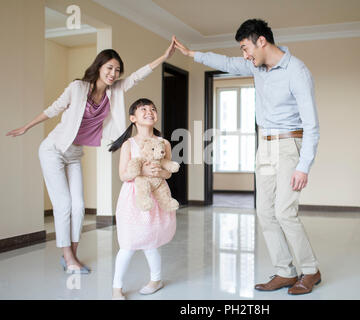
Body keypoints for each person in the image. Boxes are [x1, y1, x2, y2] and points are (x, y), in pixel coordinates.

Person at [174, 19, 321, 295]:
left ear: (261, 41)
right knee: (264, 211)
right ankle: (285, 271)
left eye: (245, 48)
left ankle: (311, 270)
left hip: (290, 144)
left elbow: (312, 124)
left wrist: (304, 166)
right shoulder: (257, 66)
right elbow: (226, 63)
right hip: (264, 145)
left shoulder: (297, 71)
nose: (244, 55)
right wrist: (192, 54)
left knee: (284, 212)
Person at [6, 38, 176, 274]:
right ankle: (68, 257)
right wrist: (27, 127)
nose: (113, 73)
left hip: (74, 153)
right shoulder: (77, 88)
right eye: (109, 68)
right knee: (64, 204)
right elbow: (53, 109)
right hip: (53, 150)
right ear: (99, 67)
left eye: (117, 70)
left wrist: (164, 57)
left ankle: (71, 256)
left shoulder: (114, 92)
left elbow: (138, 75)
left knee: (79, 206)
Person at [109, 98, 176, 300]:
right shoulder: (129, 144)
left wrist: (159, 172)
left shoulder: (163, 142)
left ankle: (156, 279)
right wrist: (142, 169)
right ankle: (116, 288)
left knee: (151, 241)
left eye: (153, 109)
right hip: (134, 197)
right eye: (143, 109)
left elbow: (168, 173)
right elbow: (123, 175)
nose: (150, 111)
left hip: (156, 195)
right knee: (128, 243)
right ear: (133, 118)